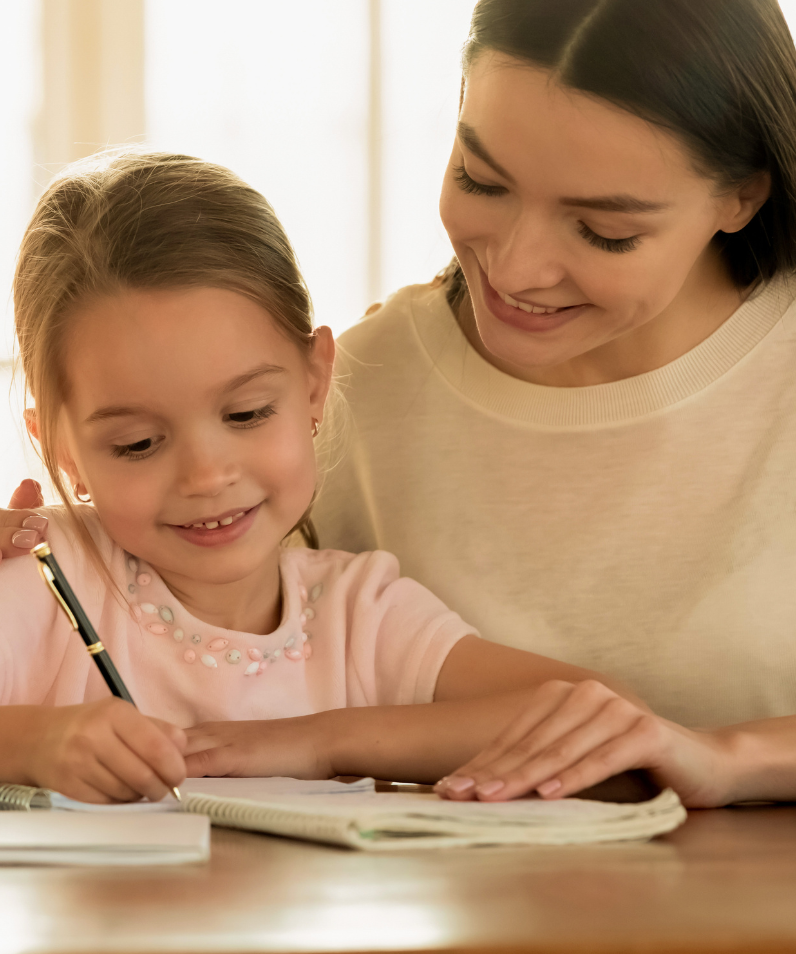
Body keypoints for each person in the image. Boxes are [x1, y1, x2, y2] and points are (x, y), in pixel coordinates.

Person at [0, 147, 672, 805]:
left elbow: (609, 716)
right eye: (138, 443)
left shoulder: (359, 617)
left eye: (246, 413)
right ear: (59, 448)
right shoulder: (39, 577)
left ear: (316, 383)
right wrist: (26, 743)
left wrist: (316, 743)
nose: (207, 475)